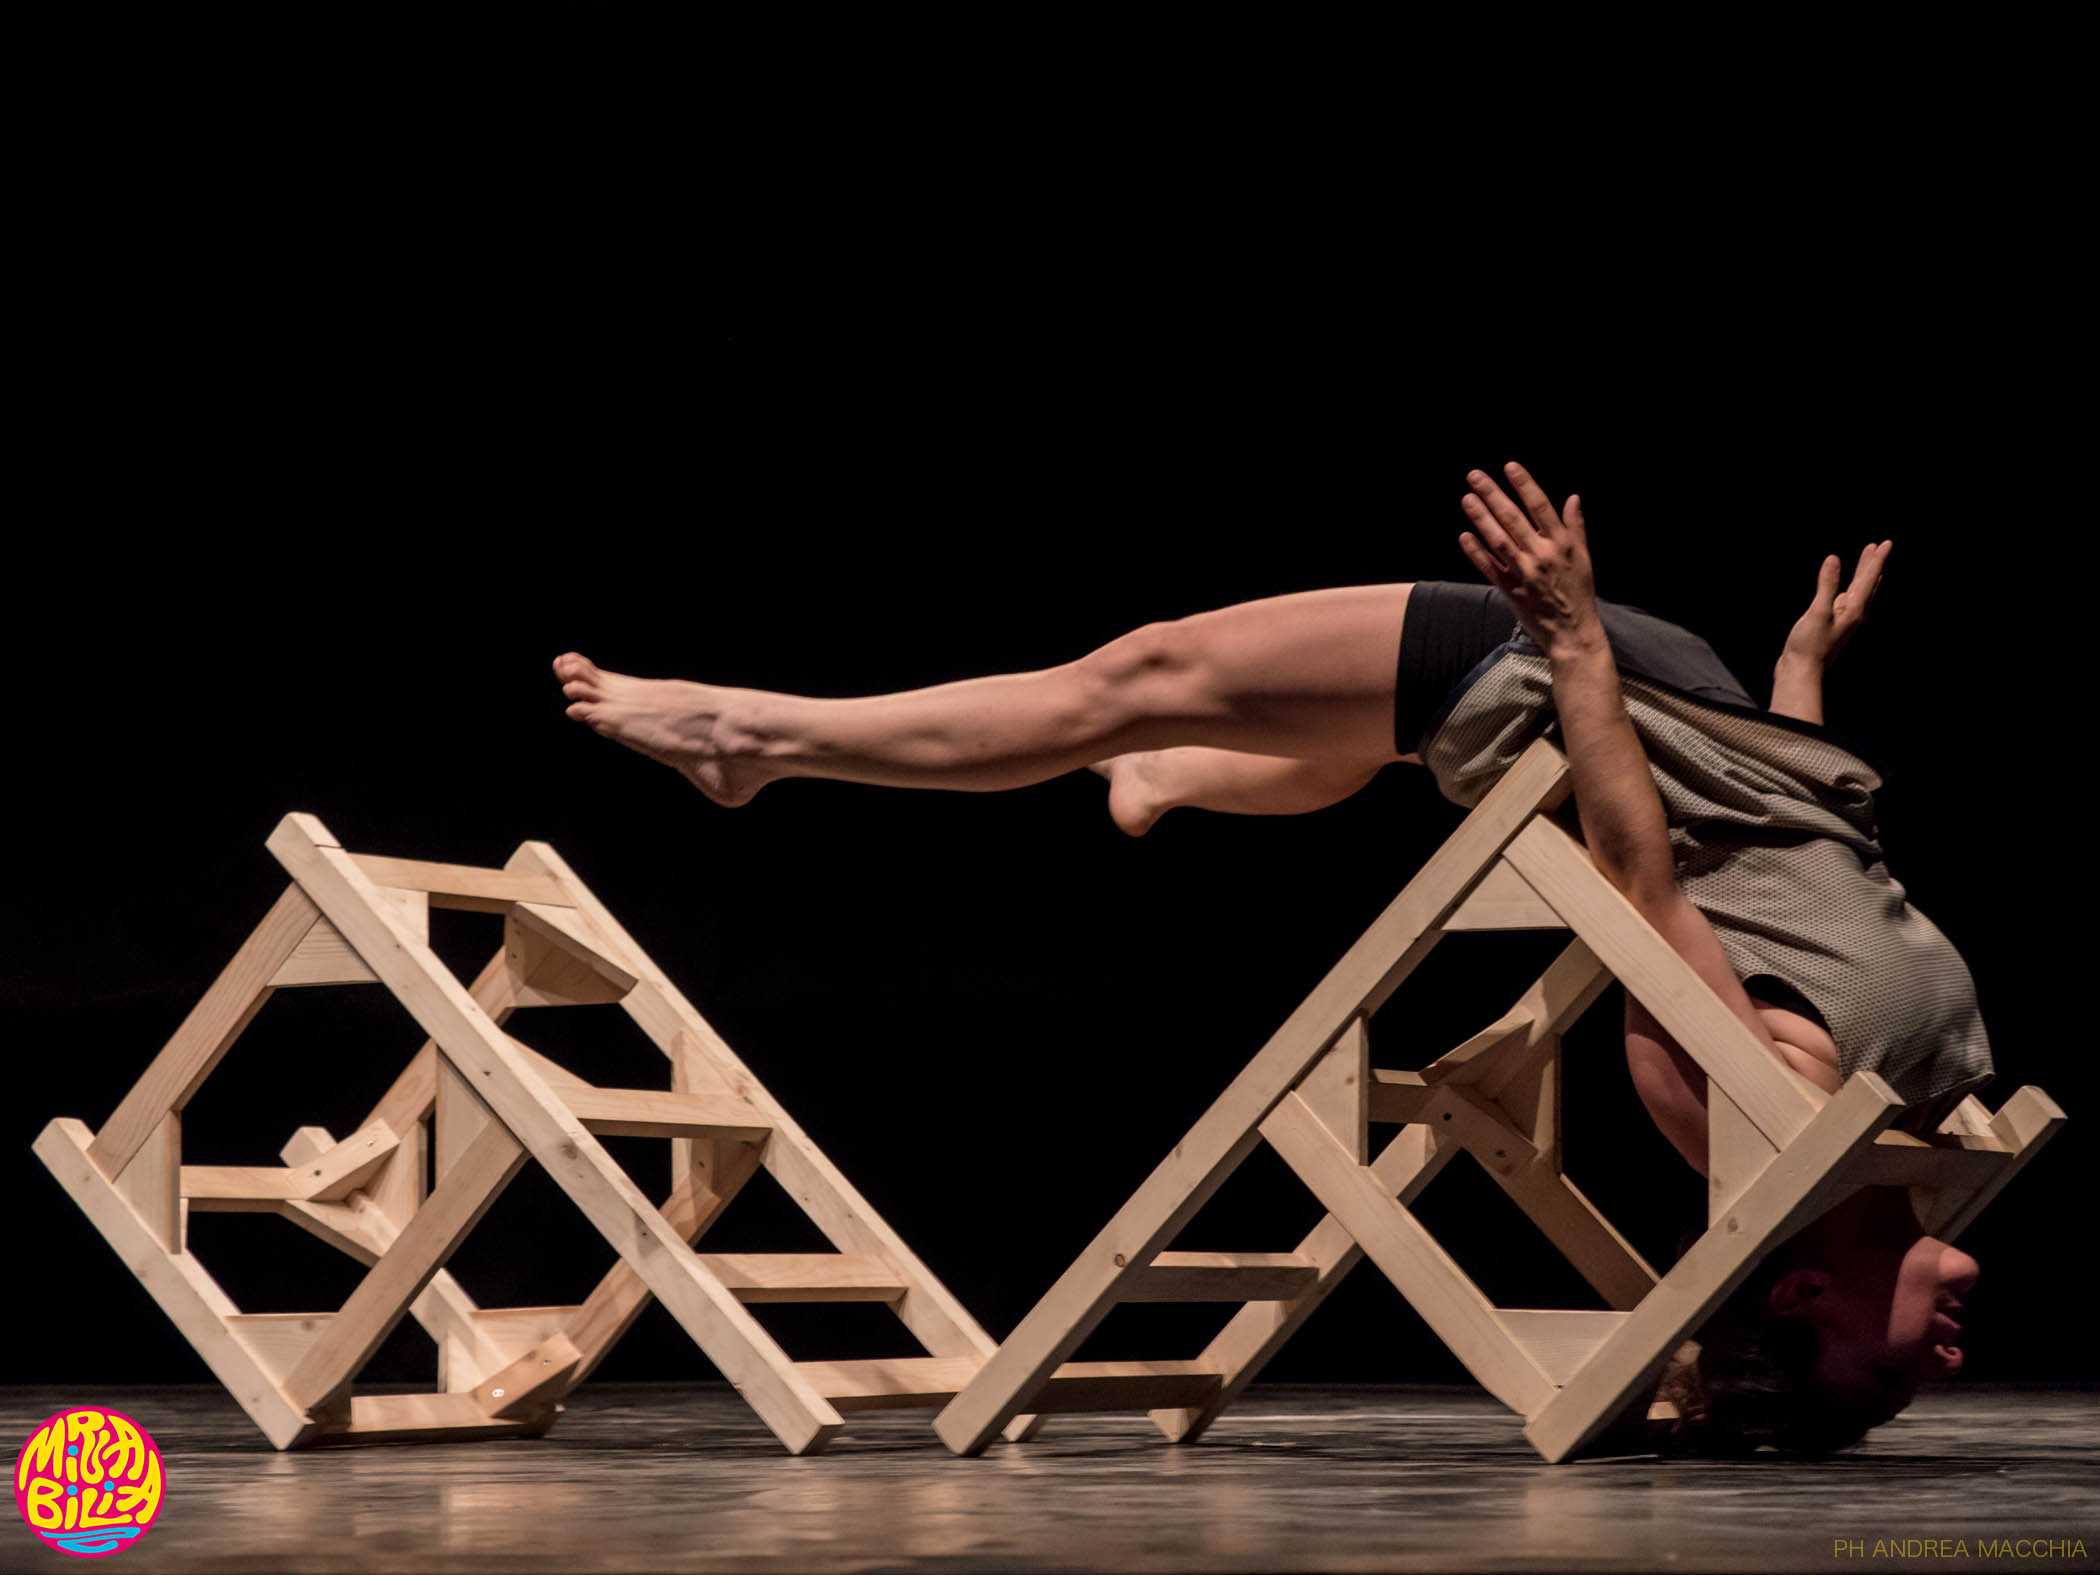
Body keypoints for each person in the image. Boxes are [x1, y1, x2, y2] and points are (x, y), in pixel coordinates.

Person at [551, 460, 1983, 1456]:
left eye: (1890, 1376)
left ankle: (756, 740)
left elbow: (1648, 882)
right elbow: (1802, 881)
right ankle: (1167, 780)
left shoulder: (1759, 1124)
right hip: (1710, 712)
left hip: (1561, 683)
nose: (1947, 1358)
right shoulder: (1909, 1132)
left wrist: (1570, 642)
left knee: (1134, 676)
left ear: (1803, 1299)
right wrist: (1800, 684)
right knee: (1317, 735)